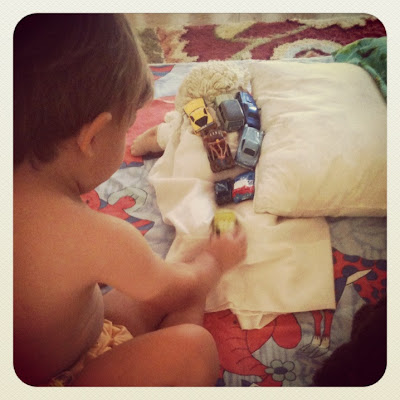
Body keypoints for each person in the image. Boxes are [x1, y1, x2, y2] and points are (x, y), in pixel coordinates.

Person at [13, 14, 247, 387]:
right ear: (93, 137)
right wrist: (215, 262)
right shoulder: (95, 236)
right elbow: (173, 287)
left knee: (161, 286)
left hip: (68, 338)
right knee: (191, 344)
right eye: (126, 126)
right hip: (57, 381)